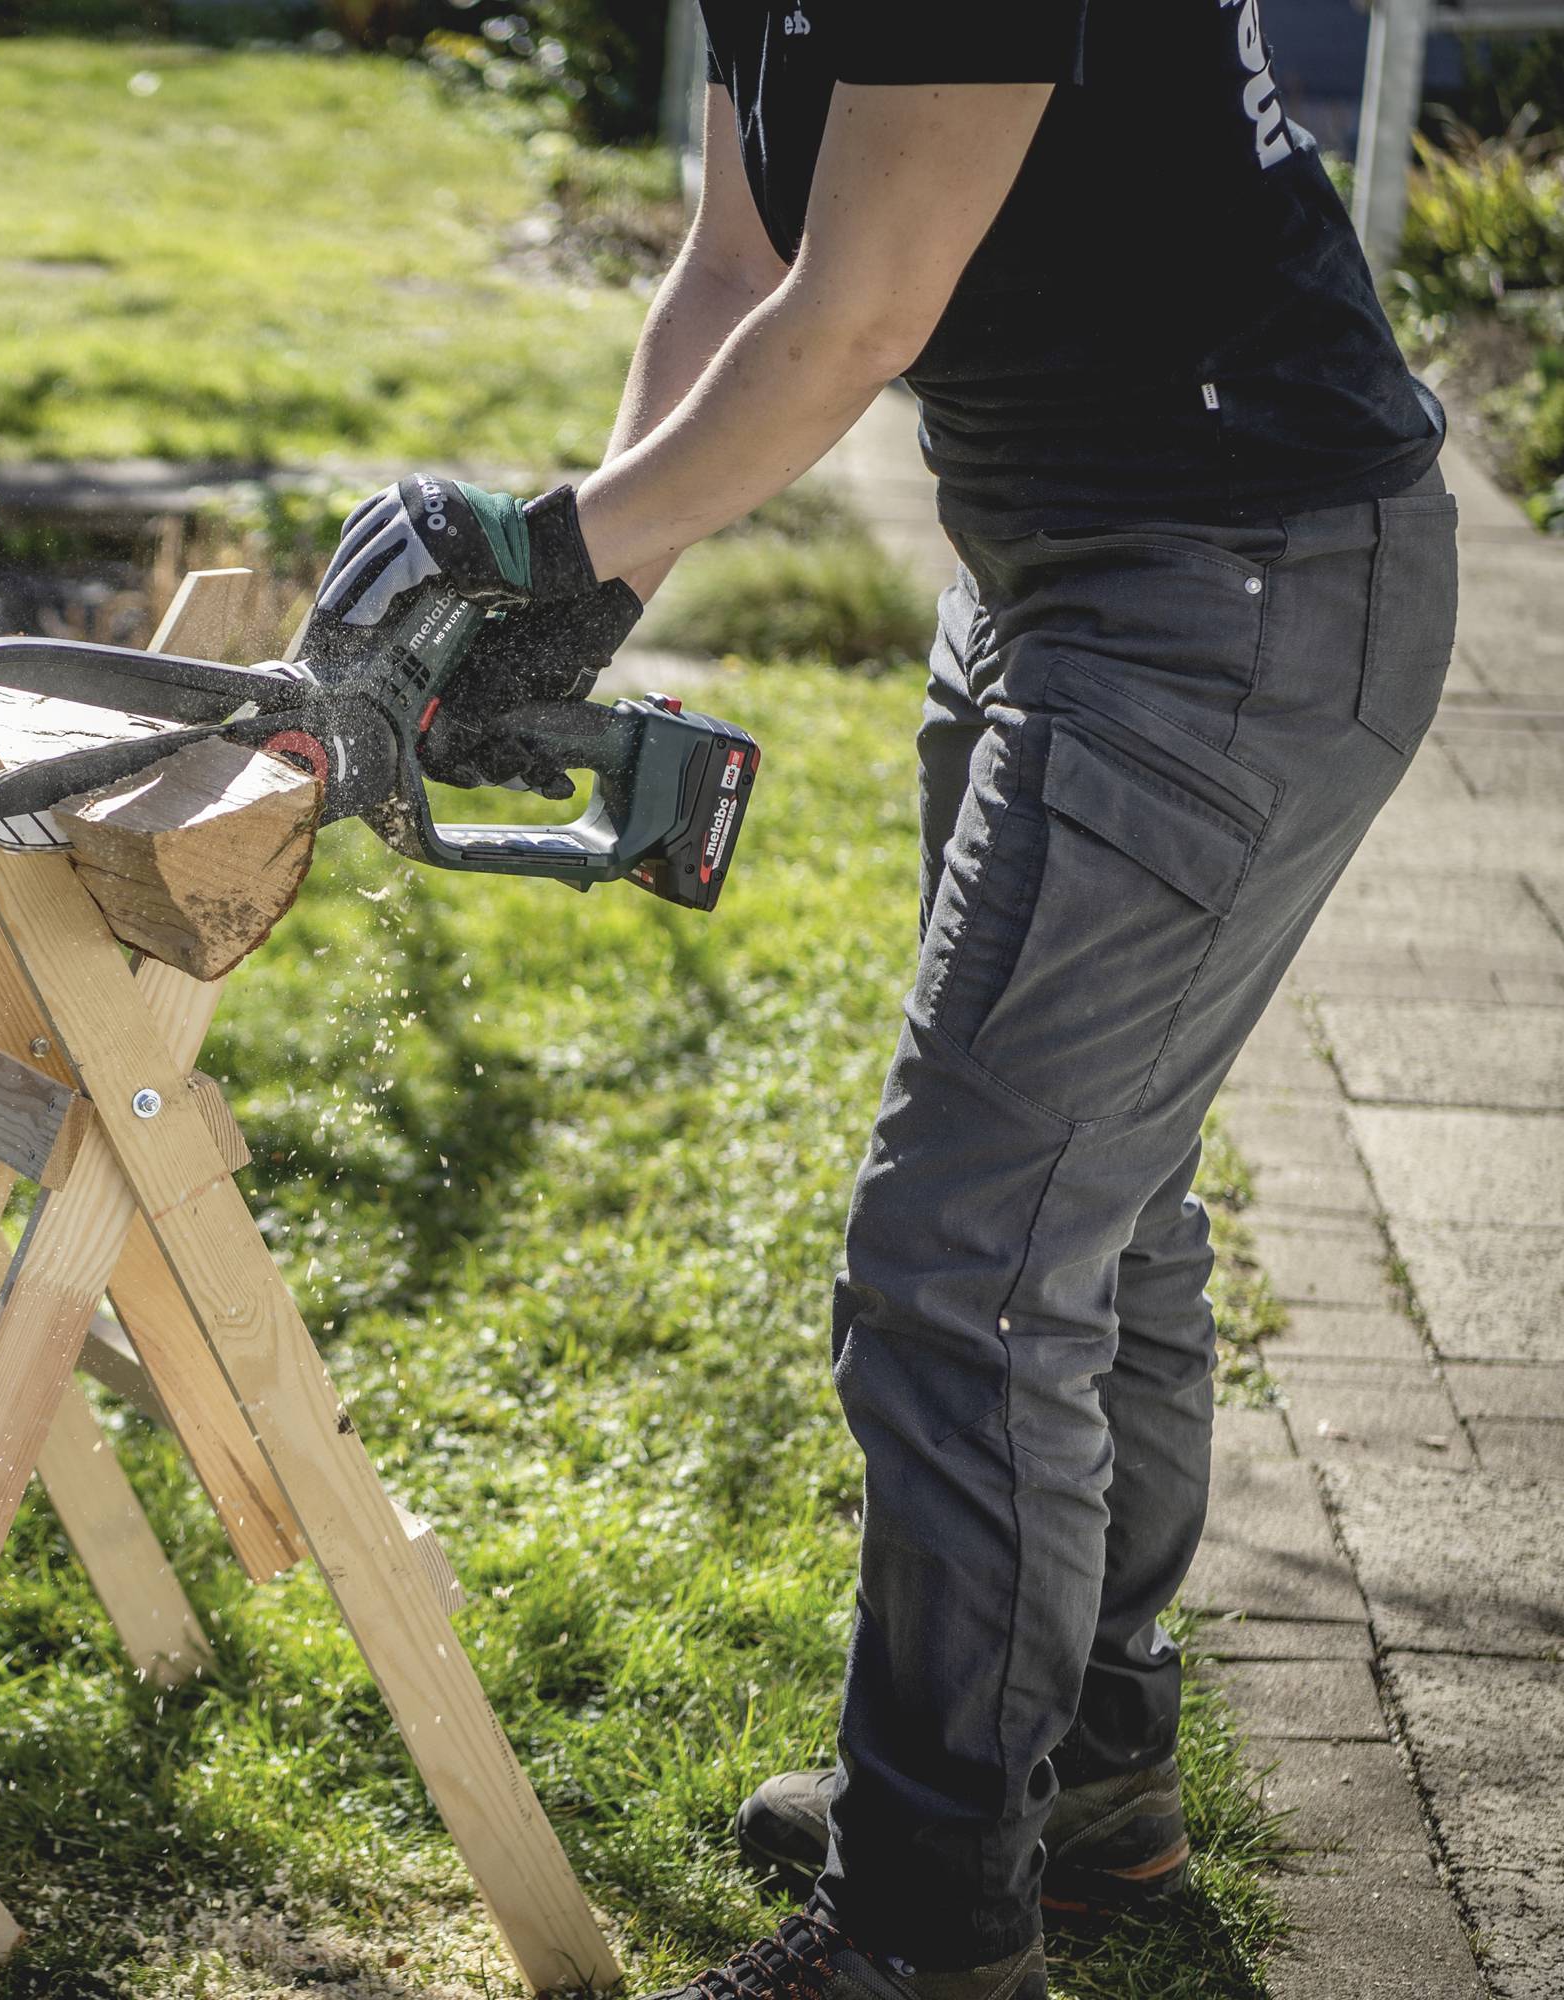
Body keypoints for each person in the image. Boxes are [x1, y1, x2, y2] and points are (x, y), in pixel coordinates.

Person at [313, 6, 1457, 1997]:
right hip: (1054, 573)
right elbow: (736, 270)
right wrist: (590, 589)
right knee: (1097, 1206)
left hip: (1244, 582)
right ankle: (1082, 1764)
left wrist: (539, 548)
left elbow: (853, 317)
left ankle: (933, 1927)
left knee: (968, 1263)